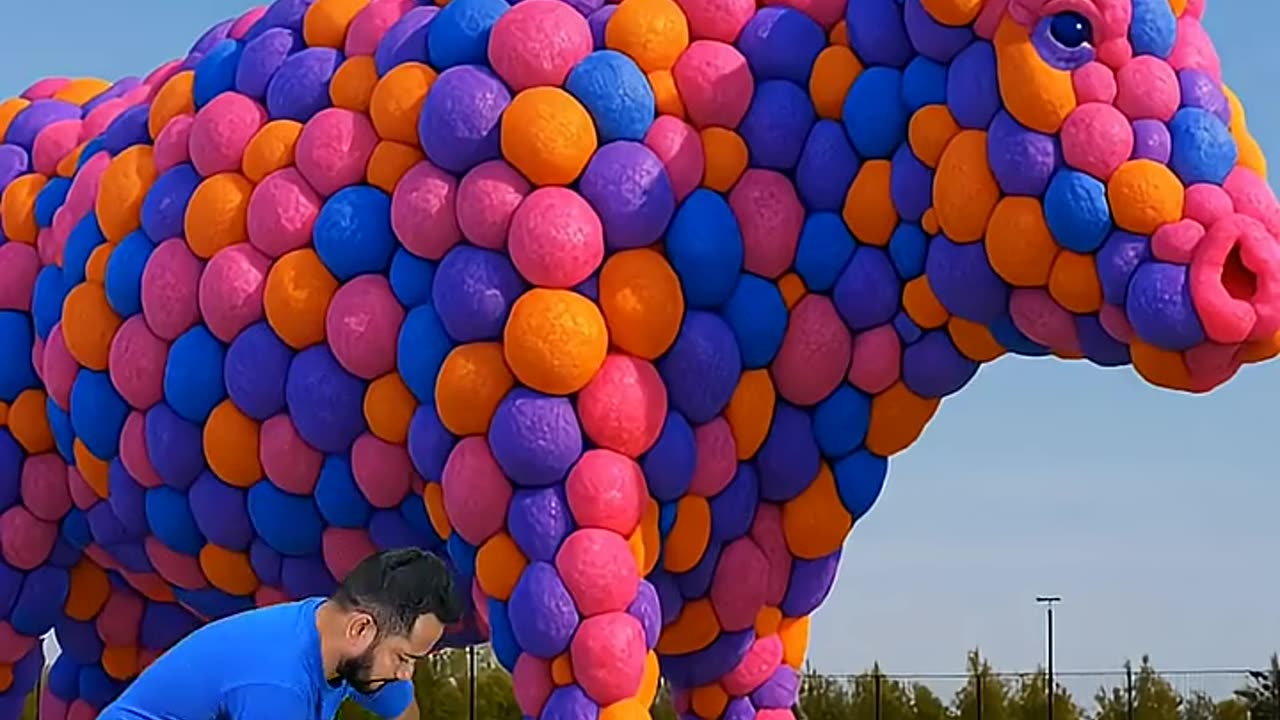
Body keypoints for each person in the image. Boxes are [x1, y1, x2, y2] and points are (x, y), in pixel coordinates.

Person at [98, 548, 463, 720]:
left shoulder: (344, 638)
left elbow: (404, 713)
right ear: (360, 627)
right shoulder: (278, 685)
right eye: (403, 658)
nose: (406, 673)